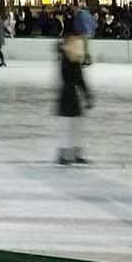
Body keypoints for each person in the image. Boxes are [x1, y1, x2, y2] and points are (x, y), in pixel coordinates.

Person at [56, 34, 95, 165]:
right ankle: (65, 154)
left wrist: (87, 96)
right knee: (68, 127)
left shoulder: (70, 60)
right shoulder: (68, 61)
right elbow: (78, 80)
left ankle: (74, 153)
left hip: (71, 97)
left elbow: (80, 81)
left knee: (75, 127)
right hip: (68, 97)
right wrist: (87, 96)